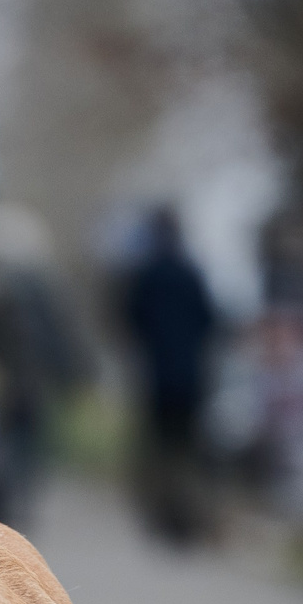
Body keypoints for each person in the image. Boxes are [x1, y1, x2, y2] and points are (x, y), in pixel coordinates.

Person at [120, 205, 217, 545]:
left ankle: (160, 517)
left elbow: (131, 319)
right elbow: (210, 320)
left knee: (158, 449)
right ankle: (185, 519)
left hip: (157, 377)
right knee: (186, 449)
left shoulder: (146, 274)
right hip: (190, 377)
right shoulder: (192, 274)